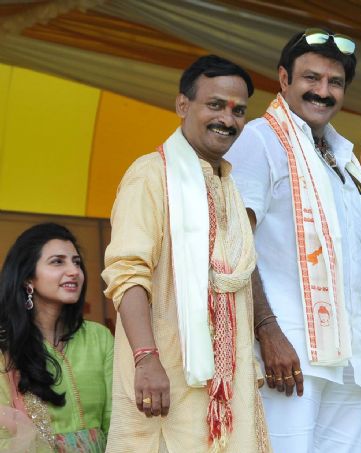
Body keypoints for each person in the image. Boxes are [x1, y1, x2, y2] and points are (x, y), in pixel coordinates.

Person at [225, 29, 361, 452]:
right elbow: (231, 242)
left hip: (350, 358)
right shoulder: (260, 140)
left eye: (335, 82)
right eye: (311, 78)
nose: (323, 91)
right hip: (289, 353)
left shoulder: (345, 158)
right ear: (284, 79)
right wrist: (267, 331)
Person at [102, 55, 270, 452]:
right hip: (166, 387)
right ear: (183, 105)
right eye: (215, 105)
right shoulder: (151, 175)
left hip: (225, 393)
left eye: (238, 111)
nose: (227, 120)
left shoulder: (229, 185)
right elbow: (127, 273)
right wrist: (146, 358)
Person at [0, 223, 113, 452]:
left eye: (77, 262)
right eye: (57, 262)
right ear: (28, 278)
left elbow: (117, 419)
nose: (74, 271)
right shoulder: (6, 347)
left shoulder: (98, 338)